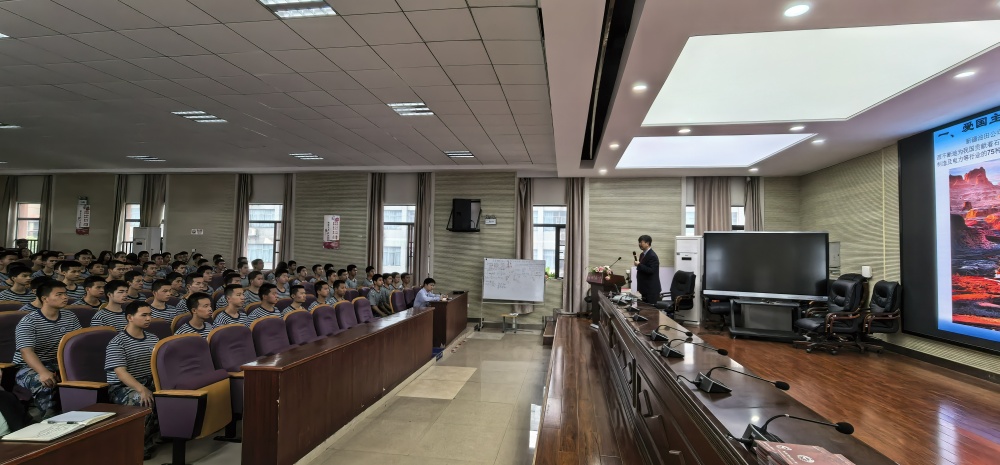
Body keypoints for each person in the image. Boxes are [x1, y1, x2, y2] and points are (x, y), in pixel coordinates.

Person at [14, 281, 82, 420]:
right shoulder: (29, 321)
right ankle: (49, 420)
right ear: (45, 298)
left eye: (65, 294)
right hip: (30, 366)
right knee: (45, 382)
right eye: (59, 294)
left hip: (59, 363)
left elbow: (78, 343)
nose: (65, 297)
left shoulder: (70, 316)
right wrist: (43, 372)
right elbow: (26, 352)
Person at [104, 300, 160, 459]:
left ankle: (163, 434)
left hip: (148, 380)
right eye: (144, 315)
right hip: (122, 387)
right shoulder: (117, 342)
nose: (148, 318)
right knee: (144, 400)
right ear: (130, 317)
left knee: (172, 394)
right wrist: (141, 389)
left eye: (150, 315)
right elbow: (121, 373)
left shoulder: (153, 338)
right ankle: (139, 445)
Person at [634, 235, 661, 304]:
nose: (639, 244)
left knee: (650, 310)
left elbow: (651, 270)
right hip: (644, 289)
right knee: (642, 309)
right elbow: (642, 268)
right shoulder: (642, 254)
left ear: (647, 243)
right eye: (639, 242)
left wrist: (639, 265)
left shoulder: (652, 256)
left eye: (641, 242)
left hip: (651, 290)